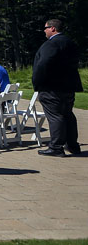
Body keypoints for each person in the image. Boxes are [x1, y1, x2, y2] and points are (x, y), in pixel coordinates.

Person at [32, 19, 81, 156]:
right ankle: (72, 145)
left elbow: (43, 63)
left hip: (51, 86)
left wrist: (37, 81)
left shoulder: (52, 43)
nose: (44, 31)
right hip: (68, 86)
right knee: (68, 114)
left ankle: (56, 147)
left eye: (45, 28)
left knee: (55, 116)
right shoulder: (70, 43)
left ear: (53, 28)